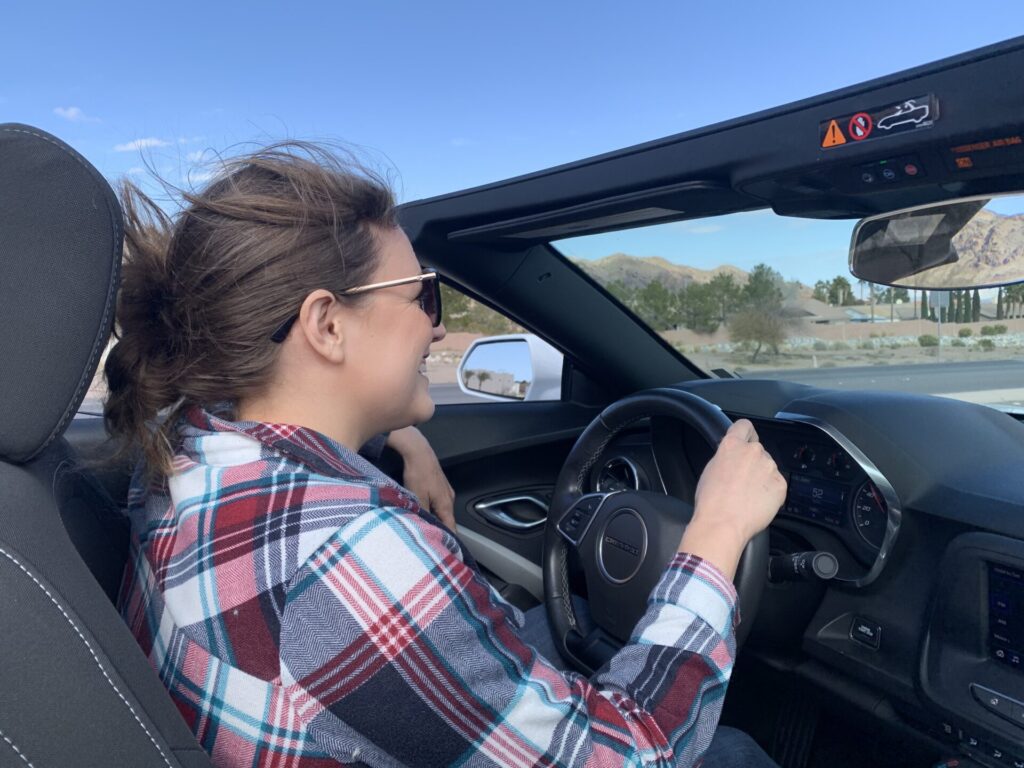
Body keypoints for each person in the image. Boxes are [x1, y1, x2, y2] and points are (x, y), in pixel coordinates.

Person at [106, 143, 786, 767]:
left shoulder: (181, 445)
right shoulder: (350, 546)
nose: (440, 324)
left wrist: (400, 433)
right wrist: (717, 534)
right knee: (735, 753)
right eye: (420, 295)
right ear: (328, 325)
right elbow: (631, 753)